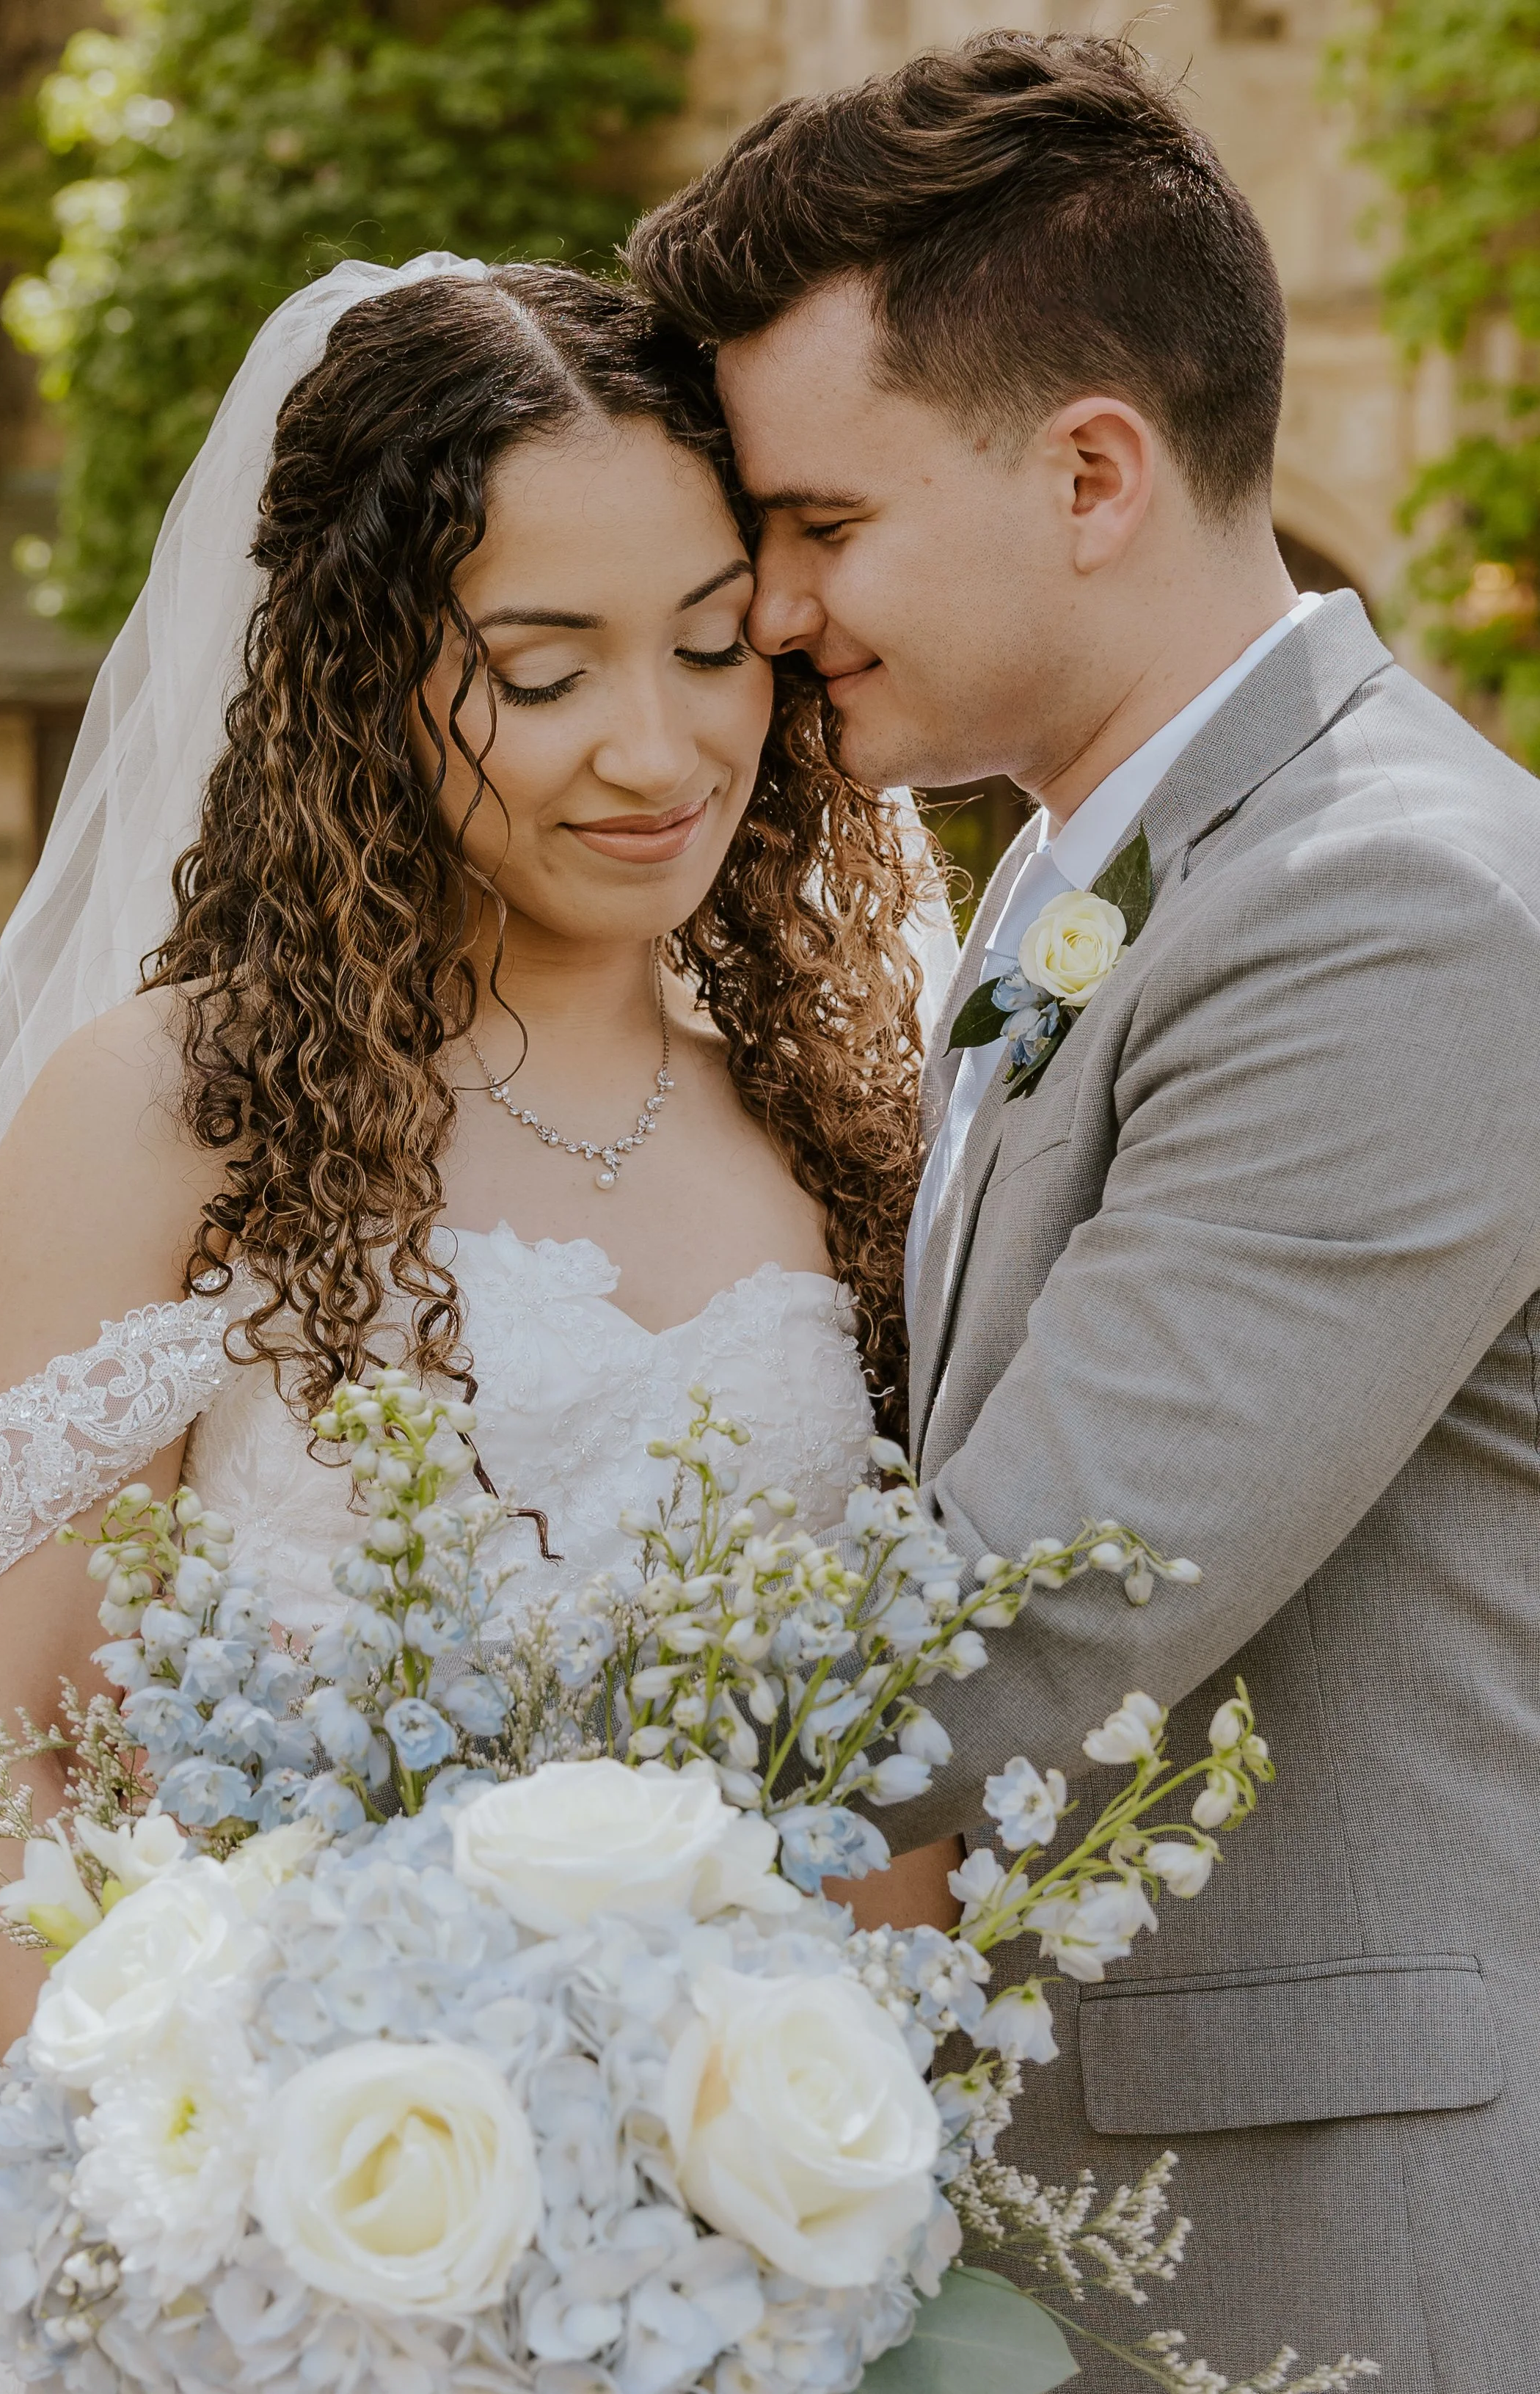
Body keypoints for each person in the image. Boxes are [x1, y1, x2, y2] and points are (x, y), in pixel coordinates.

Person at [630, 29, 1540, 2393]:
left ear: (1092, 471)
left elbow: (1017, 1625)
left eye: (821, 523)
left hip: (1311, 2234)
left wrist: (421, 1814)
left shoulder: (1389, 913)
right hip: (1046, 2191)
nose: (774, 604)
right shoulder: (1078, 861)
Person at [0, 255, 961, 2089]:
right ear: (361, 680)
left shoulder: (843, 1116)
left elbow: (899, 1782)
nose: (656, 750)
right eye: (542, 670)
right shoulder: (172, 1113)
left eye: (715, 643)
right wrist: (188, 2191)